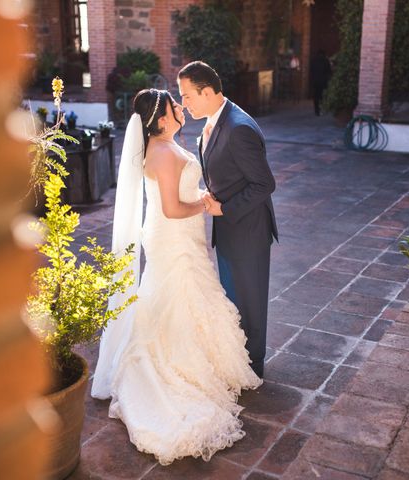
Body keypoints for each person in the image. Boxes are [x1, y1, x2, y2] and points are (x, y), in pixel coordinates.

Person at [90, 88, 261, 465]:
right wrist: (205, 204)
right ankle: (175, 366)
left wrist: (201, 195)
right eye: (174, 105)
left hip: (179, 236)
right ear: (163, 119)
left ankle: (195, 354)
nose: (181, 107)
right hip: (173, 236)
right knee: (178, 294)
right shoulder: (164, 153)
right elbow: (171, 208)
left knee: (178, 295)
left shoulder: (164, 145)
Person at [177, 61, 278, 379]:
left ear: (206, 91)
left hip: (248, 230)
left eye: (187, 95)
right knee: (233, 300)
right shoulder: (214, 121)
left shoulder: (239, 128)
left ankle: (254, 369)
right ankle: (236, 363)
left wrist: (226, 208)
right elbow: (228, 172)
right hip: (229, 230)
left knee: (251, 303)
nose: (184, 103)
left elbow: (264, 184)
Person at [309, 49, 332, 116]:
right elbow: (329, 71)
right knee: (322, 95)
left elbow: (311, 70)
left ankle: (316, 110)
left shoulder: (313, 60)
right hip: (323, 81)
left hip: (315, 81)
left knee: (316, 95)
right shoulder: (325, 60)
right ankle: (322, 108)